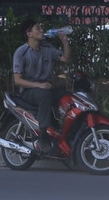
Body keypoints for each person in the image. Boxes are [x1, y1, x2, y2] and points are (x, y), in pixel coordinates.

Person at [12, 18, 72, 152]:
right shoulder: (21, 52)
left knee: (66, 95)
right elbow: (17, 80)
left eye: (41, 28)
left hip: (46, 87)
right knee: (45, 95)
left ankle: (59, 128)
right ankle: (43, 136)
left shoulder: (47, 48)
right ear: (29, 33)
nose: (42, 31)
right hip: (28, 91)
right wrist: (39, 85)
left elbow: (66, 58)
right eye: (38, 28)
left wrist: (65, 41)